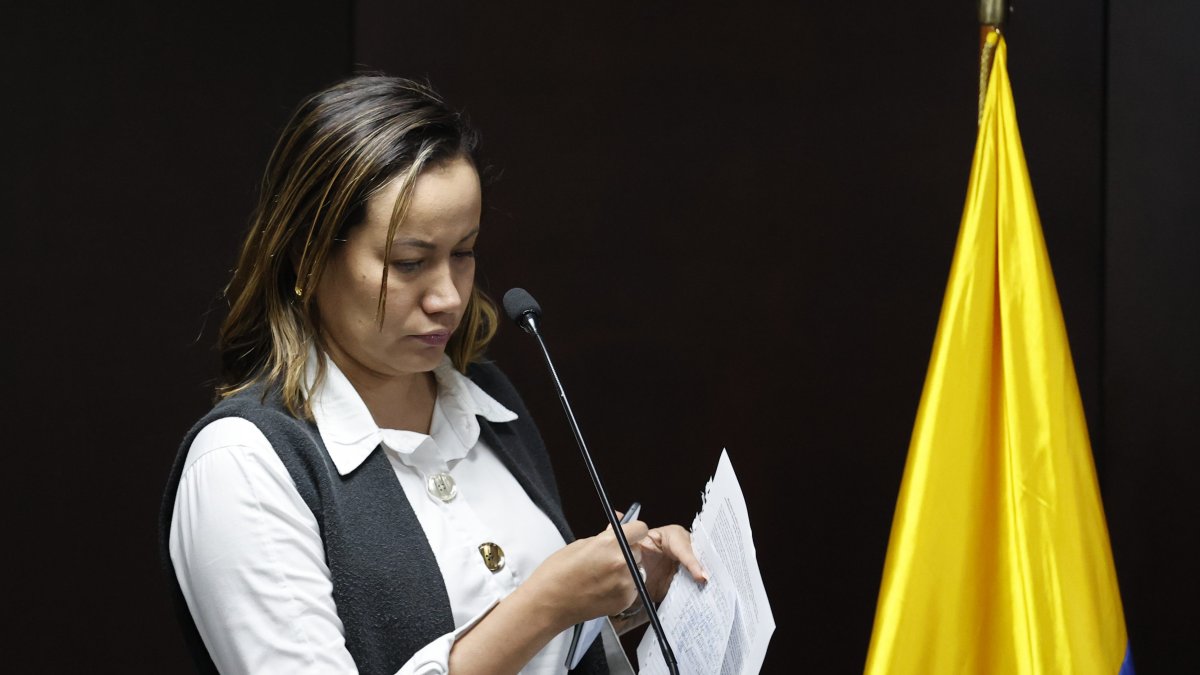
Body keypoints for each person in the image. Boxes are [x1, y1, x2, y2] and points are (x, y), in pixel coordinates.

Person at [159, 75, 705, 675]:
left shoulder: (487, 400)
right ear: (306, 258)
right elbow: (529, 620)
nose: (448, 296)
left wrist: (626, 591)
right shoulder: (244, 463)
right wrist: (544, 606)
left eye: (464, 252)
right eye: (410, 262)